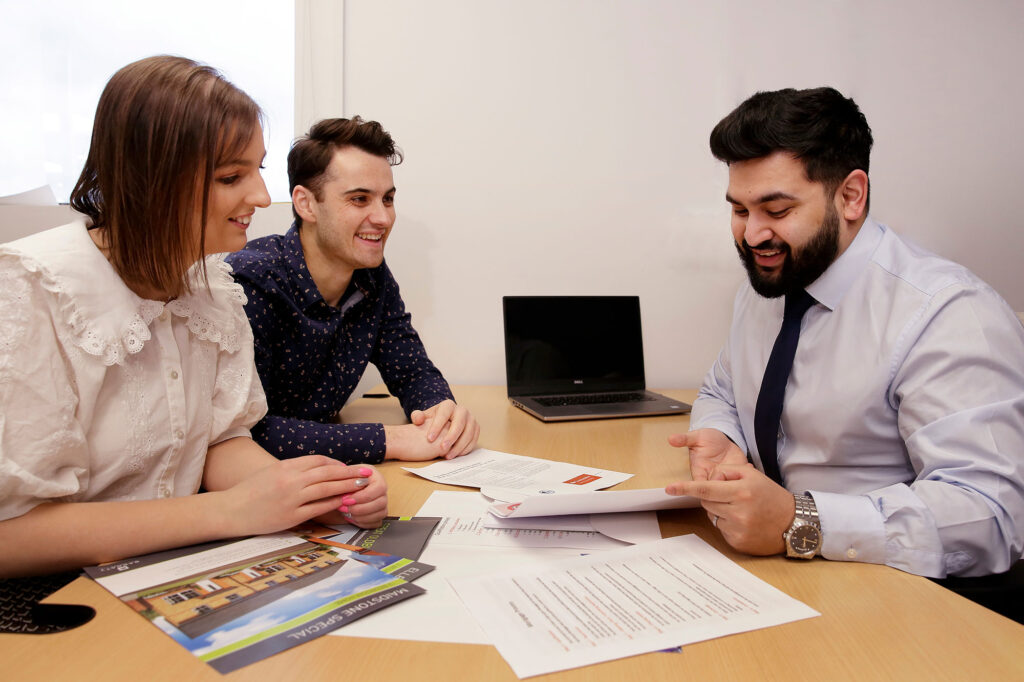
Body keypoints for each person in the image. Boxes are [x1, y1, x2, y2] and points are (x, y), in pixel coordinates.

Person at [0, 56, 387, 579]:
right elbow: (13, 533)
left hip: (168, 575)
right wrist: (227, 510)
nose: (260, 196)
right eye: (231, 176)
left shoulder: (213, 286)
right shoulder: (31, 290)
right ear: (149, 181)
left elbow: (220, 440)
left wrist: (300, 494)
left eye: (258, 169)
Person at [666, 87, 1024, 579]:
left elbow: (991, 514)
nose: (752, 236)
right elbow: (721, 387)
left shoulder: (948, 313)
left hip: (891, 590)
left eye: (777, 210)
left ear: (851, 196)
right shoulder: (769, 285)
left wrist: (801, 521)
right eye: (740, 210)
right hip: (773, 569)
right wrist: (718, 434)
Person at [226, 117, 479, 465]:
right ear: (306, 203)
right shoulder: (250, 281)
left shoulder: (371, 276)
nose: (383, 218)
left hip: (325, 478)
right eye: (360, 199)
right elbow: (247, 433)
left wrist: (441, 415)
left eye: (387, 199)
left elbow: (411, 370)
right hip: (256, 493)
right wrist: (389, 439)